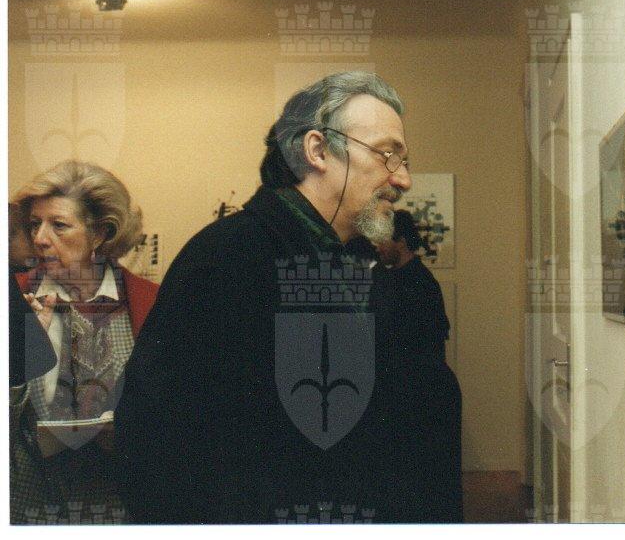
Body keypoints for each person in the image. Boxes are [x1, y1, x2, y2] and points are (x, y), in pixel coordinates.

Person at [115, 72, 414, 523]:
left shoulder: (361, 265)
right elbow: (159, 438)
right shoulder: (229, 257)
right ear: (318, 151)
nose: (403, 179)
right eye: (387, 155)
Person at [9, 161, 158, 524]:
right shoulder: (13, 300)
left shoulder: (150, 302)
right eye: (35, 224)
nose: (40, 238)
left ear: (100, 233)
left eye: (58, 225)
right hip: (28, 508)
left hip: (120, 507)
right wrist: (20, 353)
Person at [372, 210, 463, 521]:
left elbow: (422, 346)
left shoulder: (417, 284)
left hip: (420, 394)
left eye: (383, 240)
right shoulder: (394, 278)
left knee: (423, 486)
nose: (378, 247)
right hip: (410, 391)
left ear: (400, 241)